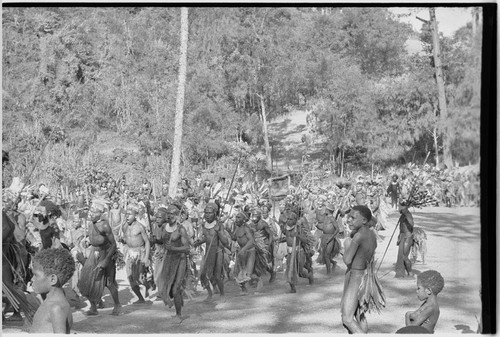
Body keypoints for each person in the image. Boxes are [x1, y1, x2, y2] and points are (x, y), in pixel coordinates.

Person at [77, 199, 121, 316]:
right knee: (87, 280)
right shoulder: (91, 223)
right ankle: (93, 307)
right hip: (93, 254)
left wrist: (106, 260)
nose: (91, 213)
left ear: (100, 213)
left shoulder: (104, 225)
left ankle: (117, 304)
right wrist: (87, 242)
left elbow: (113, 245)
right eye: (91, 210)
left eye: (94, 211)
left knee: (109, 282)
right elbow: (93, 239)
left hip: (105, 254)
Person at [341, 205, 377, 333]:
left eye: (353, 218)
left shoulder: (358, 236)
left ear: (364, 221)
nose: (349, 220)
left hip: (356, 277)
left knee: (347, 318)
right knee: (359, 315)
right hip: (365, 276)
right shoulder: (372, 234)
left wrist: (346, 244)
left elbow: (347, 260)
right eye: (348, 217)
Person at [30, 248, 76, 333]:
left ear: (52, 279)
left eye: (35, 275)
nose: (32, 279)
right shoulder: (50, 302)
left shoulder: (57, 308)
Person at [156, 204, 190, 321]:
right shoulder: (164, 227)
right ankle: (178, 300)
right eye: (169, 213)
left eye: (173, 214)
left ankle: (178, 314)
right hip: (168, 259)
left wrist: (174, 249)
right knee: (165, 287)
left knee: (175, 288)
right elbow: (162, 242)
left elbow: (187, 248)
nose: (170, 216)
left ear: (177, 216)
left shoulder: (181, 229)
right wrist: (154, 240)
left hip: (180, 260)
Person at [194, 202, 229, 301]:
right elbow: (207, 238)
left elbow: (225, 241)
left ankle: (222, 294)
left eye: (210, 213)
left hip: (217, 252)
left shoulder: (219, 225)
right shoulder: (204, 225)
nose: (208, 215)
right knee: (203, 274)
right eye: (206, 213)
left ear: (214, 213)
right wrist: (198, 242)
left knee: (217, 276)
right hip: (208, 252)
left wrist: (219, 232)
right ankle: (210, 293)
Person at [121, 206, 151, 304]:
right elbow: (126, 239)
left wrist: (146, 257)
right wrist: (122, 240)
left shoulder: (140, 227)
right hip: (130, 254)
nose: (127, 216)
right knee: (130, 277)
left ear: (135, 216)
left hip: (140, 253)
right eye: (126, 214)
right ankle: (140, 298)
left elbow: (147, 242)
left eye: (129, 214)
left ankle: (148, 284)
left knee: (140, 278)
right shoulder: (124, 226)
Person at [281, 209, 314, 293]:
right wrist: (281, 240)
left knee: (300, 271)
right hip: (289, 252)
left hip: (299, 251)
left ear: (295, 220)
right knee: (290, 270)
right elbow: (288, 238)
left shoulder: (298, 228)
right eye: (288, 219)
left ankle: (309, 276)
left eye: (291, 219)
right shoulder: (286, 228)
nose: (288, 221)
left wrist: (298, 236)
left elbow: (306, 240)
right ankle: (292, 288)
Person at [231, 212, 255, 295]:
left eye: (238, 218)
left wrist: (244, 249)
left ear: (243, 220)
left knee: (248, 273)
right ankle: (244, 289)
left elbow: (251, 241)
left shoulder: (246, 229)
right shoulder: (237, 228)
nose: (236, 219)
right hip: (241, 253)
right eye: (236, 217)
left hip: (249, 252)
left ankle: (254, 282)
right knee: (240, 272)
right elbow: (234, 238)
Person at [315, 203, 341, 275]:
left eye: (326, 209)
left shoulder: (332, 218)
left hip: (330, 238)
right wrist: (317, 225)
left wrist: (331, 238)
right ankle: (333, 264)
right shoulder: (326, 218)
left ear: (328, 210)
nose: (325, 210)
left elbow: (337, 229)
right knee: (325, 255)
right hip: (324, 237)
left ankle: (328, 272)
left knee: (327, 255)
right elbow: (323, 228)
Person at [395, 202, 414, 278]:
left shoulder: (408, 215)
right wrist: (399, 236)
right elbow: (401, 227)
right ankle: (404, 271)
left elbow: (412, 224)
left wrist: (407, 217)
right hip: (403, 236)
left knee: (404, 257)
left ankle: (410, 272)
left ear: (405, 209)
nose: (400, 211)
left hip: (408, 237)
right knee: (401, 256)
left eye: (402, 210)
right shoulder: (402, 215)